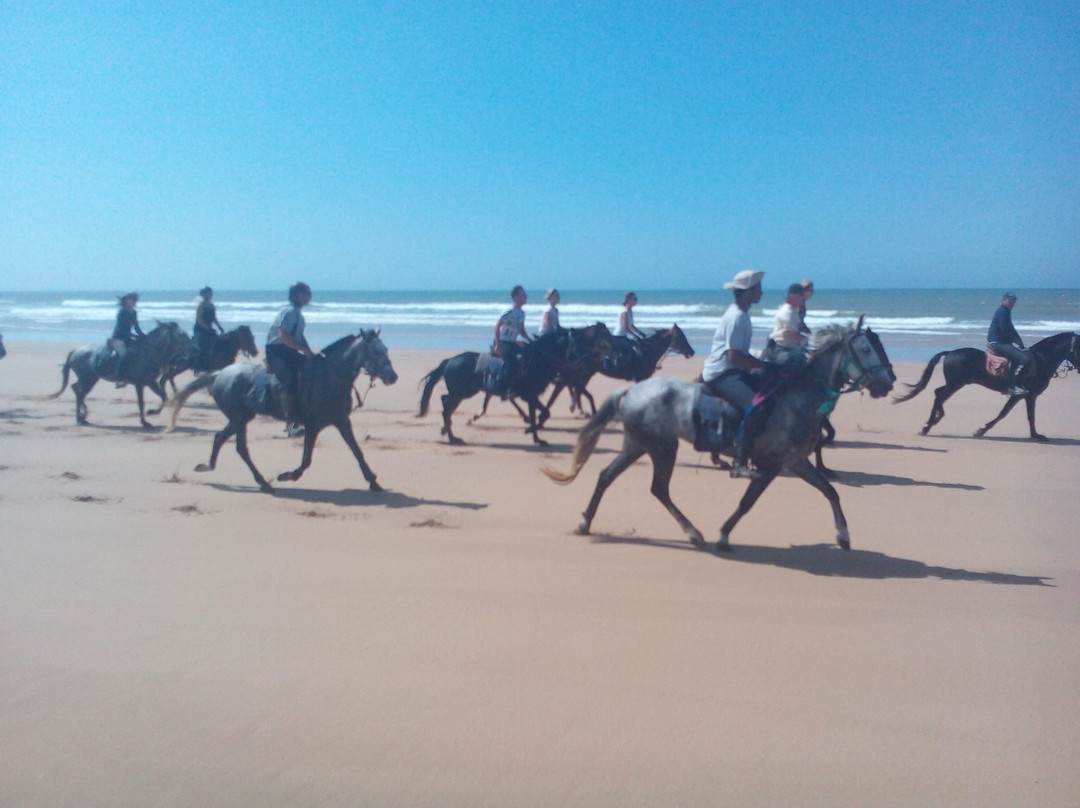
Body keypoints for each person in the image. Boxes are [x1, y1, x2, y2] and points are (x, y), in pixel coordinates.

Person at [699, 270, 769, 478]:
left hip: (734, 369)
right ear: (748, 292)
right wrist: (760, 365)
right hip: (721, 373)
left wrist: (761, 363)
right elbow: (733, 357)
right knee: (756, 406)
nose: (762, 293)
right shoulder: (737, 317)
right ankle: (739, 461)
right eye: (759, 289)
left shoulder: (742, 314)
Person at [266, 282, 315, 435]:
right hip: (278, 351)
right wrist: (302, 349)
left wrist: (309, 353)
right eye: (306, 293)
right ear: (298, 295)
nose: (309, 297)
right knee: (290, 383)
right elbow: (283, 336)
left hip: (289, 350)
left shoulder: (298, 314)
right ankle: (290, 424)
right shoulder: (290, 312)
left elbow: (299, 337)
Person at [987, 292, 1029, 395]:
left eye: (1013, 301)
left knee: (1022, 352)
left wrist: (1019, 340)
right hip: (997, 343)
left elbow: (1011, 329)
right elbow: (1004, 330)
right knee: (1022, 358)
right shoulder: (1002, 312)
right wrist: (1014, 341)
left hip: (1001, 341)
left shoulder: (1006, 311)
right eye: (1010, 301)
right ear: (1004, 300)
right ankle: (1011, 386)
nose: (1012, 303)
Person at [493, 286, 532, 396]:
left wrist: (530, 340)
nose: (525, 296)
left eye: (525, 294)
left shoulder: (522, 313)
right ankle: (504, 388)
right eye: (522, 295)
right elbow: (497, 327)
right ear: (515, 297)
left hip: (513, 342)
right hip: (503, 342)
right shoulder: (509, 312)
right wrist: (498, 345)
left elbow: (522, 331)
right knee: (511, 363)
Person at [762, 283, 808, 365]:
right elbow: (795, 337)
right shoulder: (788, 312)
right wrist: (812, 341)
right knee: (792, 362)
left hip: (789, 347)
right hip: (780, 348)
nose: (803, 298)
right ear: (792, 295)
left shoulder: (794, 310)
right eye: (801, 295)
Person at [110, 292, 145, 385]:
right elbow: (121, 328)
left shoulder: (134, 312)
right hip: (118, 338)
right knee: (124, 354)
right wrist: (132, 336)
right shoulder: (122, 311)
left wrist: (143, 335)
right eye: (132, 299)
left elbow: (136, 327)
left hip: (128, 338)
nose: (134, 302)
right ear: (126, 300)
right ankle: (119, 378)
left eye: (135, 300)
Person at [193, 286, 224, 365]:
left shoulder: (211, 306)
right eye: (208, 294)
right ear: (204, 295)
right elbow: (199, 319)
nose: (210, 295)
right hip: (200, 329)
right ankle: (198, 363)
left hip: (209, 329)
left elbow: (214, 318)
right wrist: (206, 328)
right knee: (201, 345)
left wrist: (219, 327)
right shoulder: (201, 306)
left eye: (211, 294)